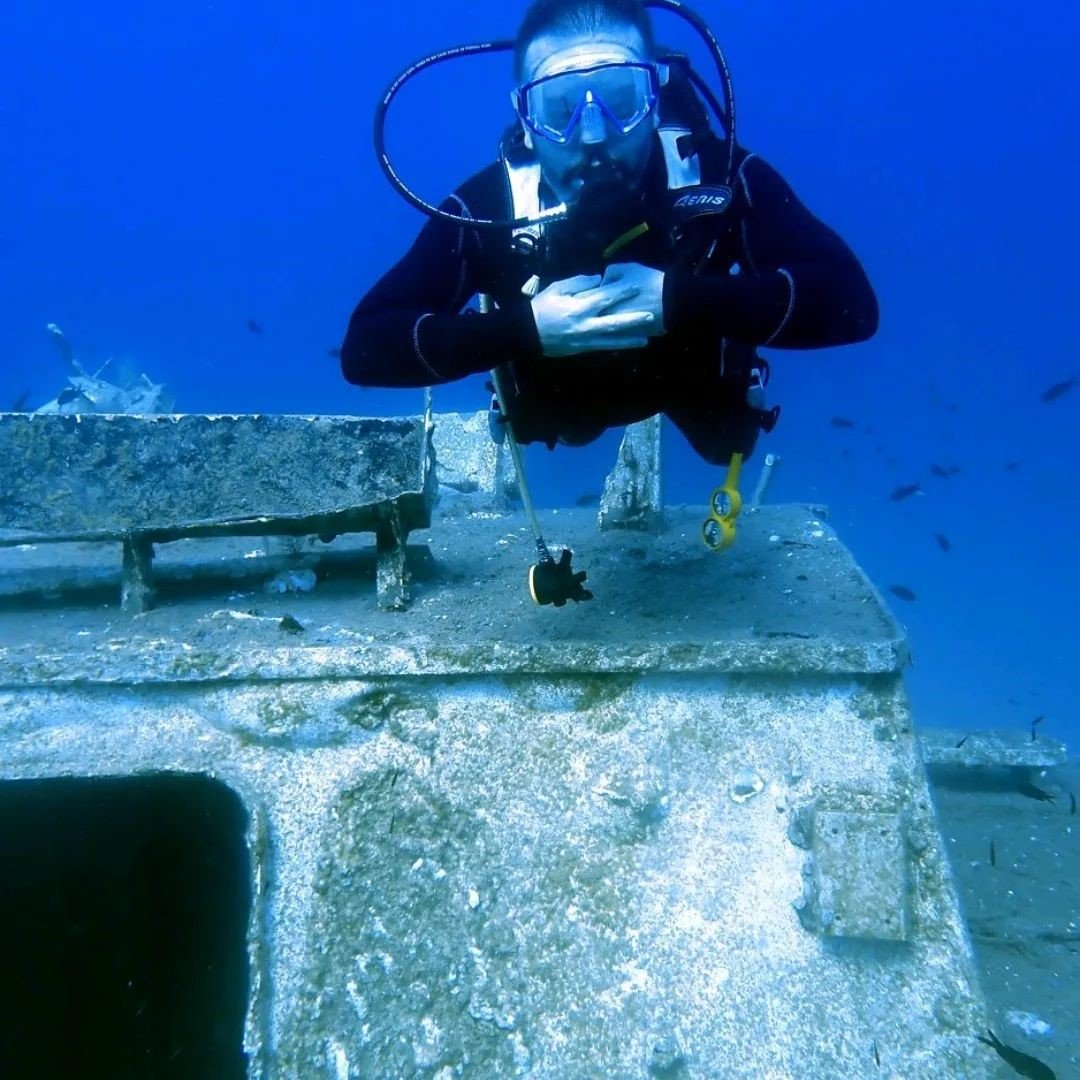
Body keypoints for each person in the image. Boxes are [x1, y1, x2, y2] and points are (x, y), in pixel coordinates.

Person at [340, 0, 878, 467]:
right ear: (525, 119)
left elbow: (852, 302)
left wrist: (678, 301)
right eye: (559, 109)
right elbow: (365, 347)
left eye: (622, 101)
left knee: (727, 439)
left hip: (690, 377)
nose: (593, 136)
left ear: (654, 99)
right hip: (563, 394)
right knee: (564, 423)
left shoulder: (713, 176)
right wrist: (524, 331)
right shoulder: (490, 208)